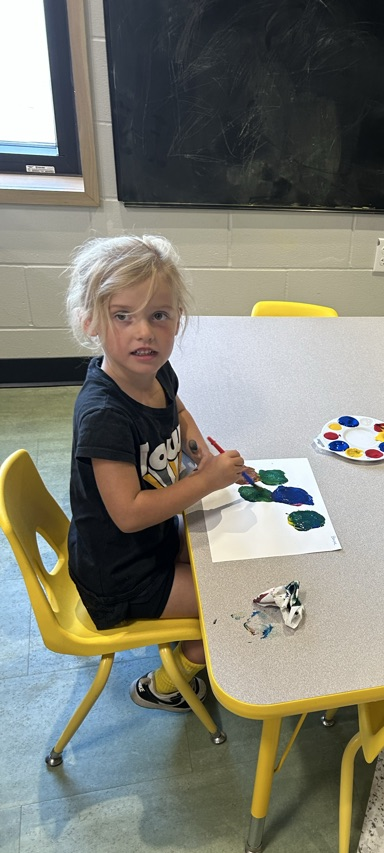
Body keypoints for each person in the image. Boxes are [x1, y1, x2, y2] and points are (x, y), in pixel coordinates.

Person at [66, 234, 254, 711]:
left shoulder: (154, 373)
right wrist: (205, 481)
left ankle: (183, 646)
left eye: (159, 316)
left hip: (154, 544)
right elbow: (129, 514)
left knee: (244, 559)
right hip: (123, 576)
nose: (143, 332)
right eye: (122, 316)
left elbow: (178, 409)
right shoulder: (105, 414)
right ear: (90, 322)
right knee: (234, 600)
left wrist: (194, 445)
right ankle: (172, 682)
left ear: (177, 322)